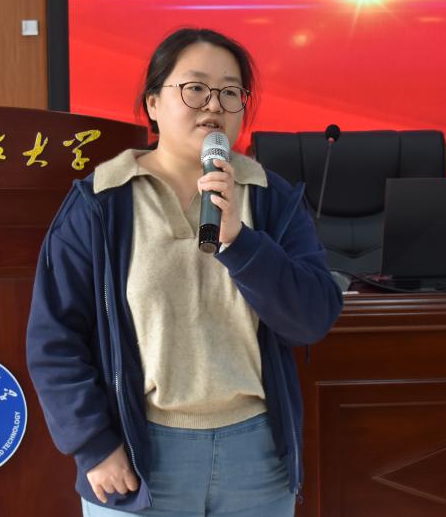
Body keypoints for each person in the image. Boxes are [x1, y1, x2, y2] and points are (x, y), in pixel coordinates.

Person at [26, 27, 343, 516]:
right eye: (195, 88)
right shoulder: (101, 202)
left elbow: (311, 318)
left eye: (230, 92)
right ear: (153, 103)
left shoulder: (270, 197)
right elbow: (54, 338)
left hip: (257, 459)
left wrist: (240, 241)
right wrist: (94, 445)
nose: (213, 105)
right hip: (139, 455)